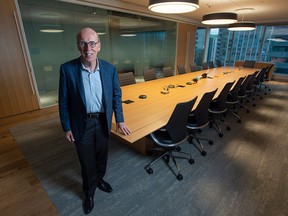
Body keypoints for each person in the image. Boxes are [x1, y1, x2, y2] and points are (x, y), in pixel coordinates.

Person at [58, 27, 131, 214]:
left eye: (92, 43)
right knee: (86, 161)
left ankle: (99, 179)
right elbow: (64, 101)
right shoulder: (67, 69)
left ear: (99, 46)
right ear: (78, 46)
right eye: (83, 43)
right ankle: (89, 192)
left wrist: (120, 120)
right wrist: (66, 127)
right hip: (81, 123)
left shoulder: (109, 69)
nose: (87, 48)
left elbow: (116, 95)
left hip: (102, 122)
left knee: (101, 156)